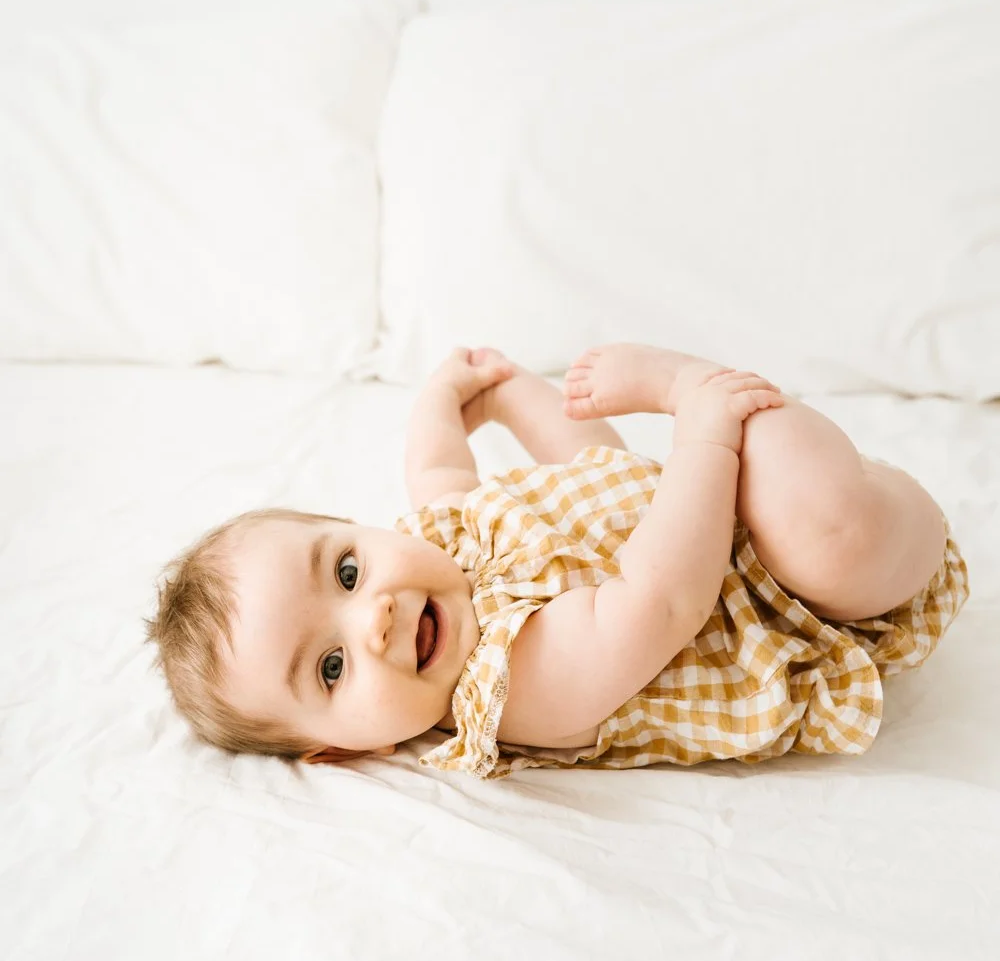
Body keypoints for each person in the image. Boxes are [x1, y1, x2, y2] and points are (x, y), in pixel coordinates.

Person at [145, 344, 970, 779]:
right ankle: (685, 380)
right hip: (823, 602)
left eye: (347, 572)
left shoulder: (442, 544)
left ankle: (728, 419)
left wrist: (473, 398)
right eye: (331, 668)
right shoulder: (508, 689)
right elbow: (661, 598)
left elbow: (537, 473)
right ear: (343, 751)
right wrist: (700, 429)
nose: (375, 616)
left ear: (362, 530)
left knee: (616, 481)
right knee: (829, 532)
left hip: (736, 500)